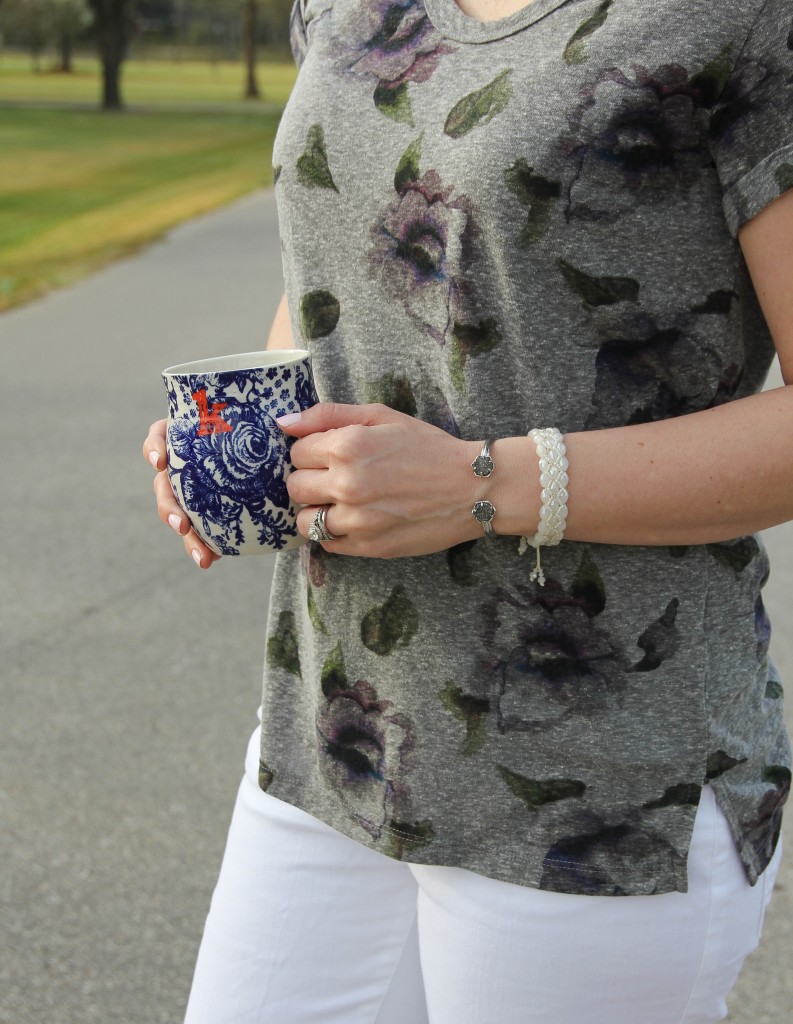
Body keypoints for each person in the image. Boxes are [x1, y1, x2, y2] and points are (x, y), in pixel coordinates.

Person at [143, 0, 793, 1020]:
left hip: (596, 789)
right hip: (337, 738)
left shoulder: (741, 19)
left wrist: (480, 484)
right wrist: (243, 432)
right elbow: (334, 264)